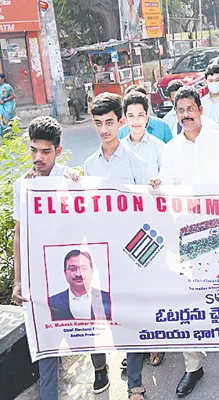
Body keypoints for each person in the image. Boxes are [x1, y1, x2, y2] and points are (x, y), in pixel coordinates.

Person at [11, 117, 111, 398]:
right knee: (47, 349)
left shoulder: (70, 178)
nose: (38, 157)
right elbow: (20, 236)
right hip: (40, 278)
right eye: (33, 150)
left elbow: (90, 223)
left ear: (58, 150)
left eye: (45, 152)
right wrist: (18, 281)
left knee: (85, 329)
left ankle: (99, 363)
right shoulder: (24, 186)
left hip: (73, 268)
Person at [149, 86, 219, 396]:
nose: (186, 115)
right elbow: (167, 184)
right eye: (181, 111)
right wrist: (160, 184)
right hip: (186, 230)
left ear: (200, 110)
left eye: (190, 109)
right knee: (188, 295)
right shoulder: (171, 149)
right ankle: (193, 366)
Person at [84, 93, 147, 185]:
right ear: (93, 122)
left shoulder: (136, 163)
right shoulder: (89, 164)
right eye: (98, 123)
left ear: (121, 122)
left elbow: (143, 198)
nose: (103, 130)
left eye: (109, 123)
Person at [49, 250, 111, 321]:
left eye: (84, 269)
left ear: (92, 271)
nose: (78, 274)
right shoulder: (52, 303)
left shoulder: (108, 299)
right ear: (65, 272)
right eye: (72, 269)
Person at [120, 91, 165, 181]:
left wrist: (159, 181)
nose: (135, 121)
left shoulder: (159, 147)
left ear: (146, 117)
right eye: (131, 116)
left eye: (140, 115)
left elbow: (168, 176)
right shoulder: (119, 148)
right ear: (125, 119)